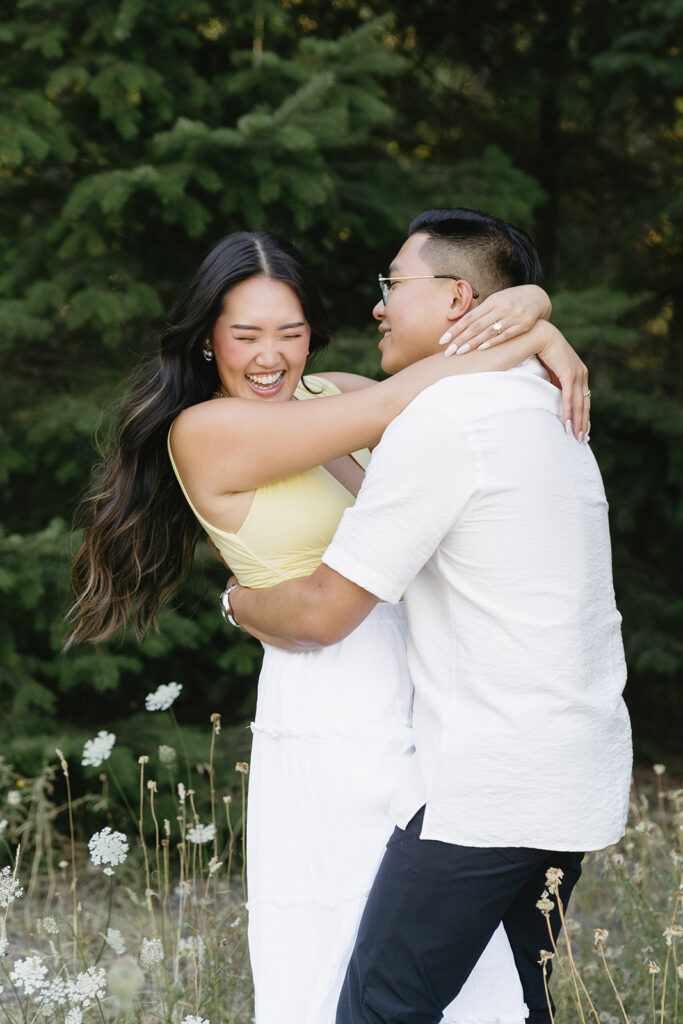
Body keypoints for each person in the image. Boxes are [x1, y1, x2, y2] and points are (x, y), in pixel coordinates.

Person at [66, 226, 589, 1024]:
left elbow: (439, 380)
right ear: (207, 340)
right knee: (349, 935)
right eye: (244, 335)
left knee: (454, 958)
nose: (269, 357)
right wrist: (540, 327)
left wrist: (534, 303)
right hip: (331, 699)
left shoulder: (331, 393)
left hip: (421, 688)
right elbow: (406, 396)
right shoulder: (206, 430)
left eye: (290, 332)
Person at [224, 211, 633, 1024]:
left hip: (492, 789)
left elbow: (323, 614)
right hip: (578, 773)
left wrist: (234, 602)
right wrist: (539, 322)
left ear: (456, 299)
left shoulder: (446, 423)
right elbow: (346, 416)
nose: (377, 306)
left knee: (380, 1010)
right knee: (515, 1006)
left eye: (392, 285)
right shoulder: (548, 404)